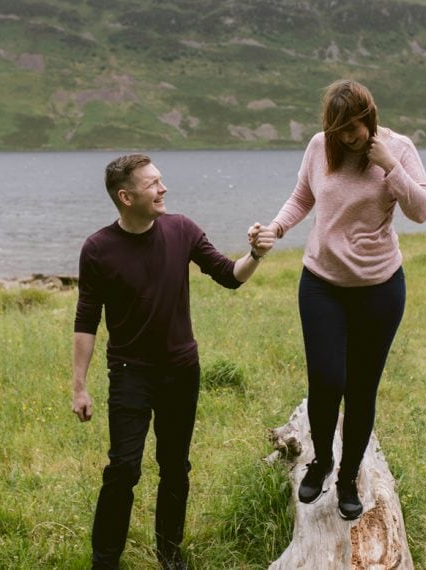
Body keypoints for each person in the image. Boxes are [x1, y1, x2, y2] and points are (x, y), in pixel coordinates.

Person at [72, 153, 276, 570]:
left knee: (175, 468)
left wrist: (255, 254)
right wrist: (79, 385)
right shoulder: (98, 249)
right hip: (129, 372)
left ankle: (170, 556)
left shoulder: (181, 229)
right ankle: (104, 561)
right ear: (126, 196)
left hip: (181, 370)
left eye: (161, 180)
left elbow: (228, 274)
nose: (163, 188)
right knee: (124, 468)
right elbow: (86, 319)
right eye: (153, 184)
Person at [260, 79, 426, 521]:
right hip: (322, 282)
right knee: (326, 378)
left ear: (369, 116)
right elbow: (302, 197)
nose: (348, 137)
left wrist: (390, 165)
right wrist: (276, 229)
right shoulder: (321, 147)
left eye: (354, 128)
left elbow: (422, 210)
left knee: (360, 389)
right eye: (339, 130)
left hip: (379, 287)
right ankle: (320, 461)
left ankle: (349, 476)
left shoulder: (398, 148)